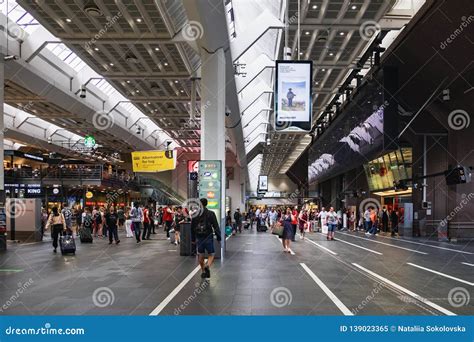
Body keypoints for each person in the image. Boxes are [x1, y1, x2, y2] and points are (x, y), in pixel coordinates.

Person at [191, 198, 221, 279]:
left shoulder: (195, 214)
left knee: (200, 255)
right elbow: (216, 226)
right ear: (206, 204)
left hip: (199, 238)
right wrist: (219, 237)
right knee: (211, 254)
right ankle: (207, 266)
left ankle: (203, 271)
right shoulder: (211, 213)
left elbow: (192, 228)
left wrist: (193, 239)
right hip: (208, 237)